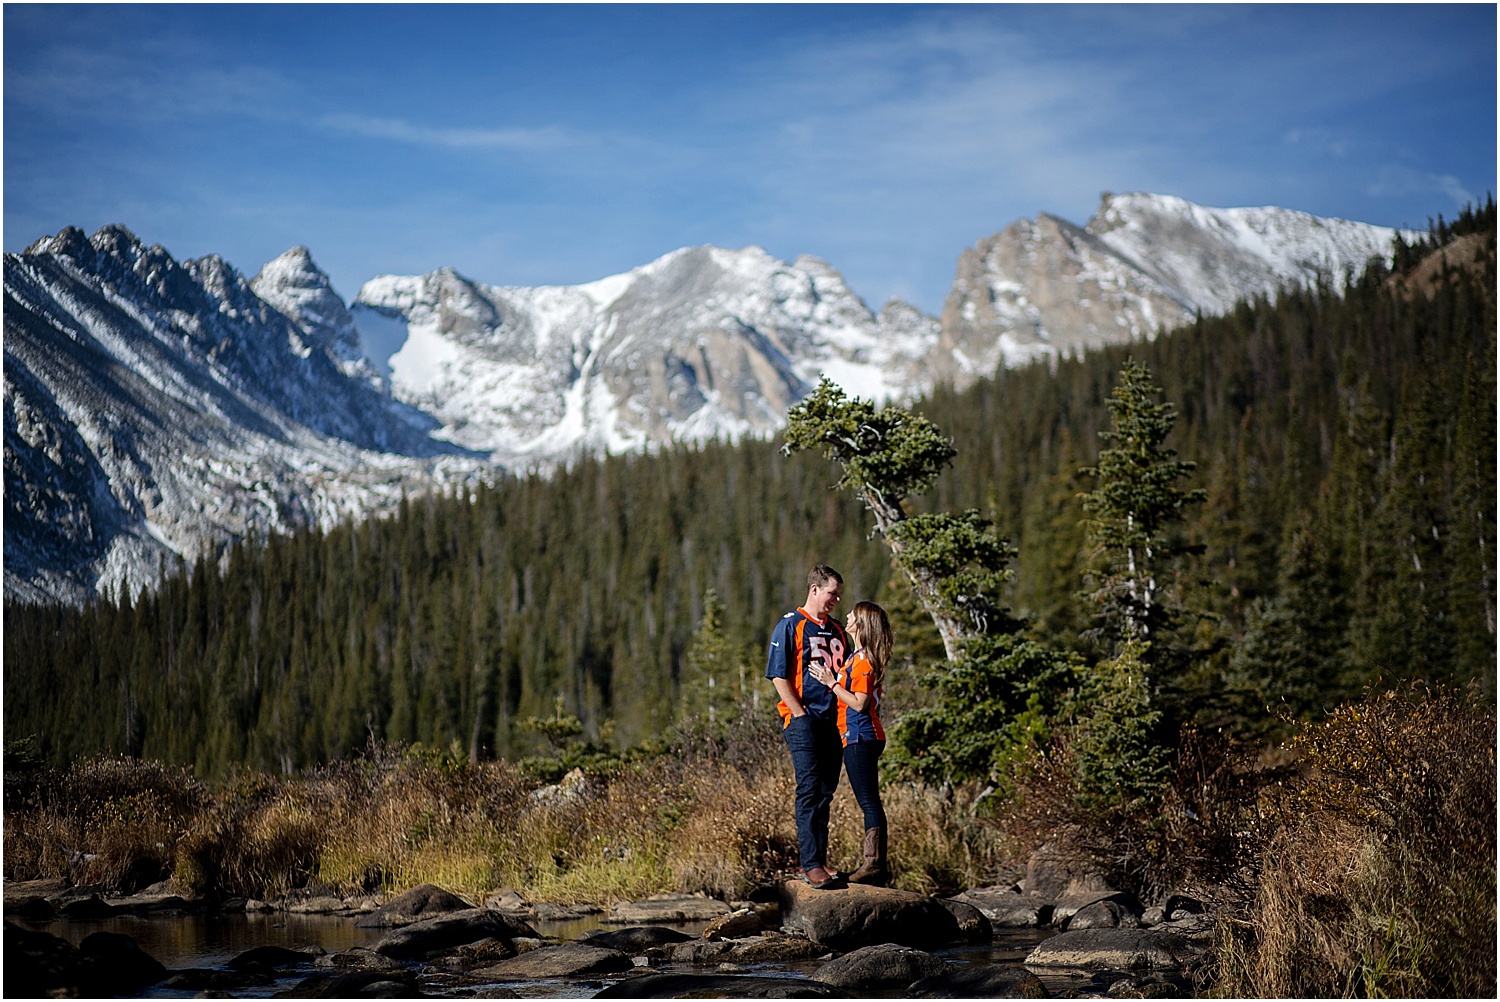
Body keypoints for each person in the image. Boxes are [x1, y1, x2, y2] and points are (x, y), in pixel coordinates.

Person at [766, 564, 849, 889]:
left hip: (833, 722)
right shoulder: (791, 626)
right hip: (803, 721)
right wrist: (799, 714)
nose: (836, 599)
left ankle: (821, 860)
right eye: (832, 593)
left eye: (839, 594)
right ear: (814, 589)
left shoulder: (838, 630)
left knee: (825, 792)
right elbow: (777, 675)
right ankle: (810, 864)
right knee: (809, 789)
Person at [810, 599, 892, 886]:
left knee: (869, 801)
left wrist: (831, 683)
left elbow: (859, 703)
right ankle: (874, 864)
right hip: (856, 736)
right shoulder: (855, 657)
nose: (846, 616)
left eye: (852, 615)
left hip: (862, 735)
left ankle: (874, 865)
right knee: (868, 800)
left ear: (861, 624)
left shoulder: (865, 661)